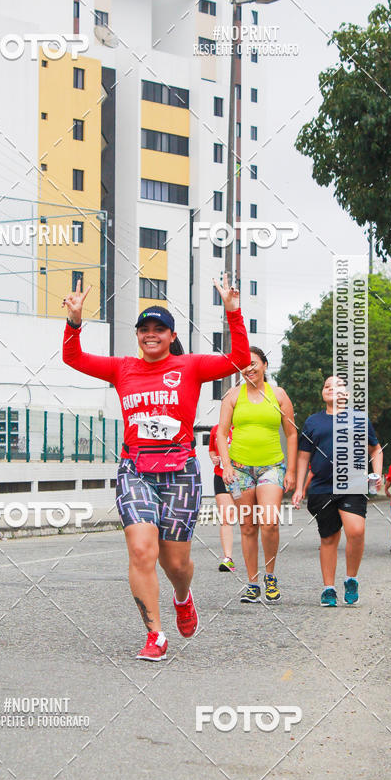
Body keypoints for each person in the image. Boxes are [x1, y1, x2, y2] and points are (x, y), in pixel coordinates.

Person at [62, 277, 250, 660]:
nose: (151, 335)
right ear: (137, 336)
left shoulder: (190, 366)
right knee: (142, 551)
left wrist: (233, 312)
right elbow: (73, 358)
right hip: (136, 470)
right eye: (144, 330)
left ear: (170, 335)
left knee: (175, 562)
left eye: (158, 330)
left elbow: (240, 360)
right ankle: (155, 635)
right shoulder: (122, 368)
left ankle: (183, 596)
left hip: (180, 470)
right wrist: (75, 321)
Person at [292, 376, 383, 607]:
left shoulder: (360, 419)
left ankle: (351, 579)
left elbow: (376, 449)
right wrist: (300, 488)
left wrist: (377, 473)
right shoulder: (313, 422)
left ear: (348, 394)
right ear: (322, 393)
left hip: (353, 484)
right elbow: (303, 456)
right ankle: (329, 589)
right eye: (327, 386)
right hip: (322, 487)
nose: (332, 389)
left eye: (338, 386)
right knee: (329, 537)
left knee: (356, 531)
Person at [217, 347, 297, 603]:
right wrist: (226, 465)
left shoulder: (279, 395)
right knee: (248, 526)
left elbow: (292, 434)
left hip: (271, 467)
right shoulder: (232, 395)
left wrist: (291, 470)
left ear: (264, 364)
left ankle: (270, 575)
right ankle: (252, 582)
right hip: (239, 469)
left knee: (270, 521)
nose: (249, 368)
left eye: (253, 363)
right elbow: (220, 433)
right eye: (244, 365)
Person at [208, 422, 235, 572]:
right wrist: (214, 458)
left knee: (250, 519)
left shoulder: (243, 427)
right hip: (221, 475)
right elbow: (211, 450)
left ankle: (254, 555)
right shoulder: (215, 429)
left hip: (242, 477)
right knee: (226, 517)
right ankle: (228, 558)